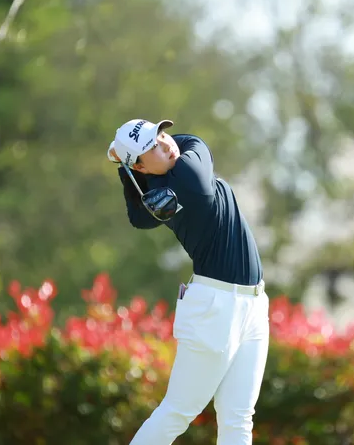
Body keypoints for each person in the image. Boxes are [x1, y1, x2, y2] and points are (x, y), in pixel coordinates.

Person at [106, 118, 270, 445]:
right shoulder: (190, 175)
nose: (166, 144)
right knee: (178, 412)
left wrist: (125, 167)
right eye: (152, 147)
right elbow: (193, 140)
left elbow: (138, 218)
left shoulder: (156, 193)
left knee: (238, 417)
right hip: (215, 307)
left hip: (251, 303)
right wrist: (123, 162)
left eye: (161, 134)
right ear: (140, 166)